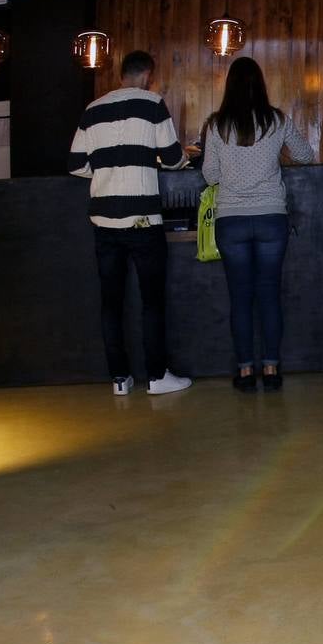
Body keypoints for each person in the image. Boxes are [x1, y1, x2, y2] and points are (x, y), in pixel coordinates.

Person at [70, 50, 193, 396]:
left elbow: (76, 163)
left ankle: (119, 380)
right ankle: (156, 377)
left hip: (104, 223)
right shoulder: (152, 103)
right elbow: (171, 158)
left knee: (111, 303)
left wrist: (109, 168)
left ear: (121, 74)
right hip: (142, 222)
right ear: (148, 75)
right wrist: (179, 157)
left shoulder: (93, 109)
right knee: (151, 301)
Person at [201, 57, 316, 392]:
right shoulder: (276, 119)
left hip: (231, 220)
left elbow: (210, 175)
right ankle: (271, 368)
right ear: (261, 84)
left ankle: (245, 372)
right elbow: (306, 155)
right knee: (268, 294)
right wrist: (273, 157)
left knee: (240, 298)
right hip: (270, 218)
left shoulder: (216, 124)